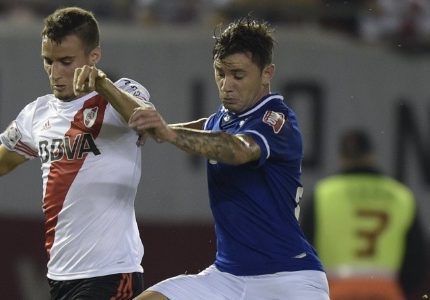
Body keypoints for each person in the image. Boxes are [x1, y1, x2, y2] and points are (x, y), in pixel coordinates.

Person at [0, 6, 153, 300]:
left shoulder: (119, 94)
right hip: (60, 274)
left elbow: (147, 118)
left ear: (94, 57)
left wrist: (102, 84)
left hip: (110, 271)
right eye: (49, 62)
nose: (56, 73)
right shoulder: (37, 112)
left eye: (66, 62)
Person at [129, 15, 329, 300]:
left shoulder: (277, 119)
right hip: (226, 278)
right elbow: (207, 126)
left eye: (237, 75)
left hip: (289, 279)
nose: (226, 84)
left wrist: (168, 134)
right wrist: (162, 129)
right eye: (220, 73)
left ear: (267, 73)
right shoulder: (226, 118)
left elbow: (238, 150)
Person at [300, 129, 429, 300]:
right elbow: (418, 259)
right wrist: (397, 289)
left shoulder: (323, 194)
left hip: (336, 291)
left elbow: (302, 249)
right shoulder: (400, 195)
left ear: (342, 158)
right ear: (371, 155)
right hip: (385, 292)